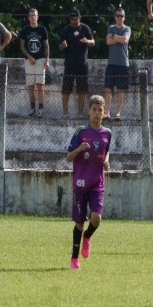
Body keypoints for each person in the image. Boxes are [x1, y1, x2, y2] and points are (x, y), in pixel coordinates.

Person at [66, 95, 111, 270]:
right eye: (94, 110)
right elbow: (68, 157)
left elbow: (106, 151)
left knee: (96, 219)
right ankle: (74, 258)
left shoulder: (107, 133)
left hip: (97, 182)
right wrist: (79, 149)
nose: (97, 113)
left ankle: (87, 237)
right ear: (89, 111)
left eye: (100, 110)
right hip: (80, 183)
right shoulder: (80, 132)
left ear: (104, 113)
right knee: (79, 222)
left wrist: (107, 161)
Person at [60, 9, 95, 118]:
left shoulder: (85, 28)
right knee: (66, 89)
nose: (73, 22)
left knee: (82, 90)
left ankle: (79, 114)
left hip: (82, 64)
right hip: (69, 64)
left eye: (75, 19)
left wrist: (87, 41)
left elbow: (93, 42)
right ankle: (65, 113)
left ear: (80, 18)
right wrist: (63, 46)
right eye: (71, 19)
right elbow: (60, 47)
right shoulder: (66, 30)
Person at [19, 8, 50, 118]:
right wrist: (29, 57)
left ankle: (41, 110)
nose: (33, 17)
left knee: (40, 86)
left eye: (34, 15)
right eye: (31, 15)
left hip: (40, 59)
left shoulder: (42, 29)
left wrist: (47, 59)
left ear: (37, 17)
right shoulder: (25, 30)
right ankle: (33, 110)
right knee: (31, 86)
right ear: (28, 17)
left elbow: (46, 45)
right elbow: (22, 46)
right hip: (29, 61)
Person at [104, 7, 131, 121]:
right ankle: (107, 112)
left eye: (122, 16)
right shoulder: (111, 27)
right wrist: (118, 39)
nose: (120, 17)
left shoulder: (127, 28)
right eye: (118, 15)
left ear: (124, 18)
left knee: (120, 90)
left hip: (123, 64)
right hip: (111, 63)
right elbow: (108, 41)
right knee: (107, 89)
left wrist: (114, 36)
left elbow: (125, 39)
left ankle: (118, 113)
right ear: (115, 17)